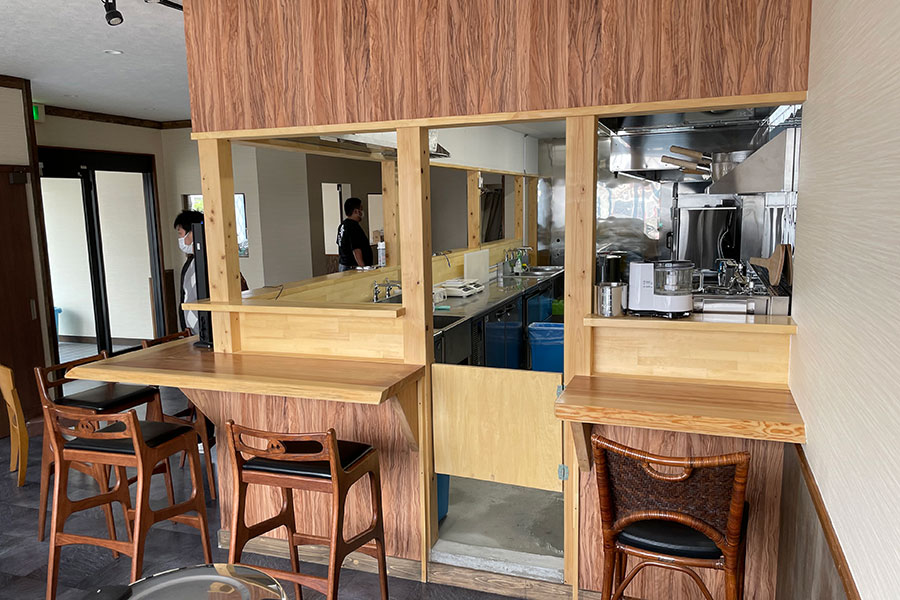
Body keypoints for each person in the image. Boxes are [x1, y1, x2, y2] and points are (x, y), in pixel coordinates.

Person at [174, 209, 248, 334]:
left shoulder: (217, 262)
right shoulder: (190, 263)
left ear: (193, 233)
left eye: (180, 234)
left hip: (216, 331)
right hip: (192, 332)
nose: (180, 239)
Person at [336, 197, 373, 271]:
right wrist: (363, 268)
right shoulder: (353, 227)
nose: (362, 212)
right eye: (361, 209)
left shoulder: (342, 225)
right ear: (356, 211)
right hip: (352, 267)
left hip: (344, 265)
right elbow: (356, 249)